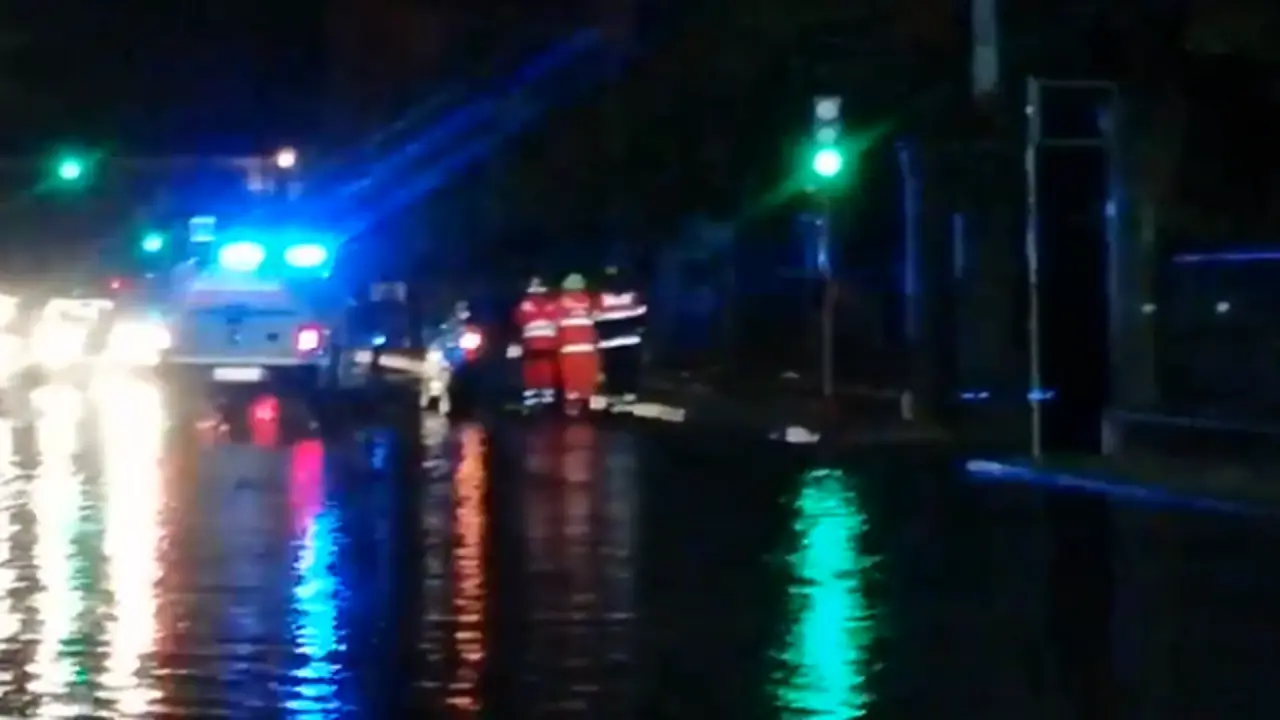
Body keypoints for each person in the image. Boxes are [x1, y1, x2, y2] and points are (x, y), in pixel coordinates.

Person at [594, 264, 646, 404]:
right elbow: (642, 318)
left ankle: (616, 393)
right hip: (629, 340)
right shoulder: (633, 296)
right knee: (627, 367)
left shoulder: (600, 297)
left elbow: (595, 320)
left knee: (614, 368)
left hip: (610, 341)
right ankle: (628, 392)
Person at [556, 273, 602, 414]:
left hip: (568, 348)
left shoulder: (559, 303)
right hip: (588, 348)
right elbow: (597, 319)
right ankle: (589, 403)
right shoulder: (590, 301)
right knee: (588, 376)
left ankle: (573, 406)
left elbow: (555, 325)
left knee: (571, 378)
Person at [514, 277, 560, 407]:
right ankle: (548, 397)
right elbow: (557, 320)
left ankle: (532, 397)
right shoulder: (552, 304)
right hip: (549, 344)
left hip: (531, 343)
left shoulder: (524, 304)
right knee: (547, 370)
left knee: (531, 370)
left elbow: (519, 321)